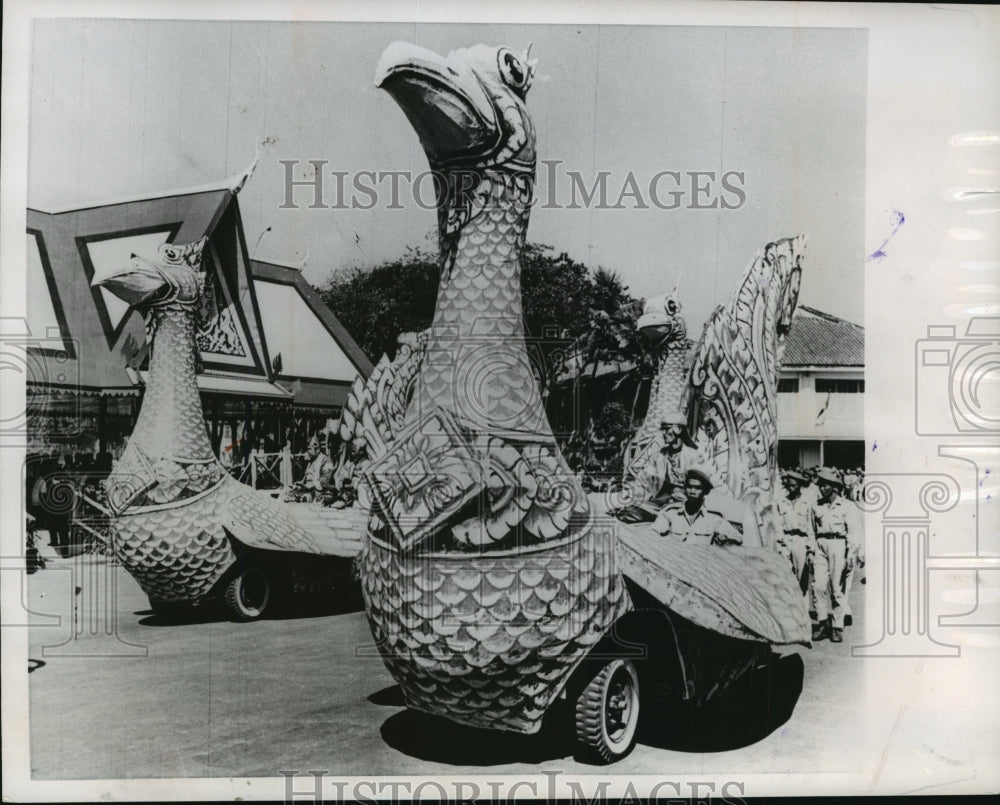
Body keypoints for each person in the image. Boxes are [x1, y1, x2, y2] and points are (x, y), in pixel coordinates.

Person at [811, 467, 864, 643]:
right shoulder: (816, 505)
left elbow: (854, 531)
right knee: (818, 586)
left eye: (826, 485)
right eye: (820, 484)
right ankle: (822, 623)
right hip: (820, 546)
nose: (822, 487)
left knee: (837, 588)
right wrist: (812, 550)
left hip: (838, 545)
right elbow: (811, 530)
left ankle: (837, 626)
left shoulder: (847, 506)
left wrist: (851, 553)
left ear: (834, 486)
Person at [651, 467, 743, 547]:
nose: (692, 491)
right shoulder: (671, 513)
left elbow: (737, 537)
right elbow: (651, 534)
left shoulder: (713, 518)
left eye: (697, 488)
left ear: (705, 491)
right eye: (689, 487)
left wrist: (725, 537)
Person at [775, 470, 817, 597]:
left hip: (801, 541)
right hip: (786, 541)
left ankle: (802, 609)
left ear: (799, 485)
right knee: (786, 576)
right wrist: (779, 545)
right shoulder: (781, 502)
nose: (791, 488)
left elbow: (811, 527)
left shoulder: (807, 503)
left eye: (794, 485)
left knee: (801, 579)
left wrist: (811, 548)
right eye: (789, 485)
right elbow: (778, 526)